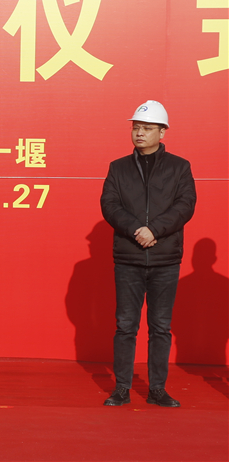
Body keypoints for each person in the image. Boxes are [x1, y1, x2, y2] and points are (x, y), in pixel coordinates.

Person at [100, 100, 196, 407]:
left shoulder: (180, 167)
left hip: (165, 258)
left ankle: (157, 389)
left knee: (160, 327)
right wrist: (135, 230)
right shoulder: (118, 167)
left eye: (147, 128)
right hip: (128, 258)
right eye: (136, 128)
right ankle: (122, 388)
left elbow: (185, 205)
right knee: (125, 325)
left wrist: (154, 230)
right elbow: (109, 205)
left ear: (162, 132)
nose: (140, 133)